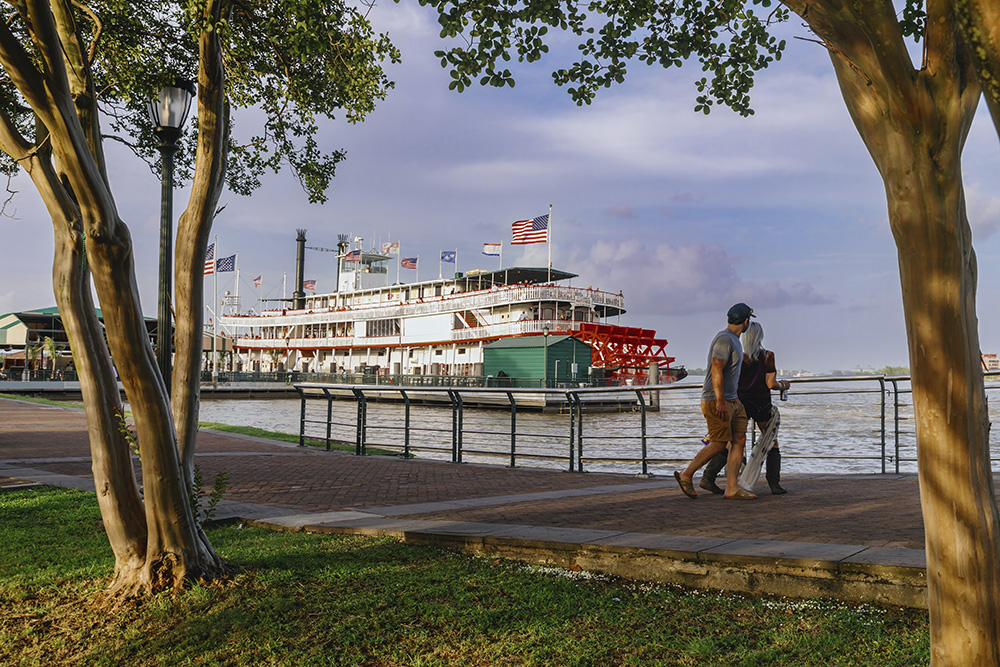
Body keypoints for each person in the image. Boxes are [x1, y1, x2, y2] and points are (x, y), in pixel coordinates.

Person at [674, 303, 756, 499]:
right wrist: (720, 401)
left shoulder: (735, 340)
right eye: (749, 320)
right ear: (745, 321)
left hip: (733, 400)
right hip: (717, 400)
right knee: (719, 443)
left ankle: (731, 488)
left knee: (739, 440)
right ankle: (686, 474)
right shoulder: (724, 339)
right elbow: (716, 368)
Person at [700, 321, 790, 495]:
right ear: (760, 337)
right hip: (760, 403)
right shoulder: (768, 356)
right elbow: (771, 384)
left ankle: (708, 478)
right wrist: (784, 385)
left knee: (730, 442)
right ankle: (774, 484)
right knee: (771, 441)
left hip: (739, 402)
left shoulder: (738, 355)